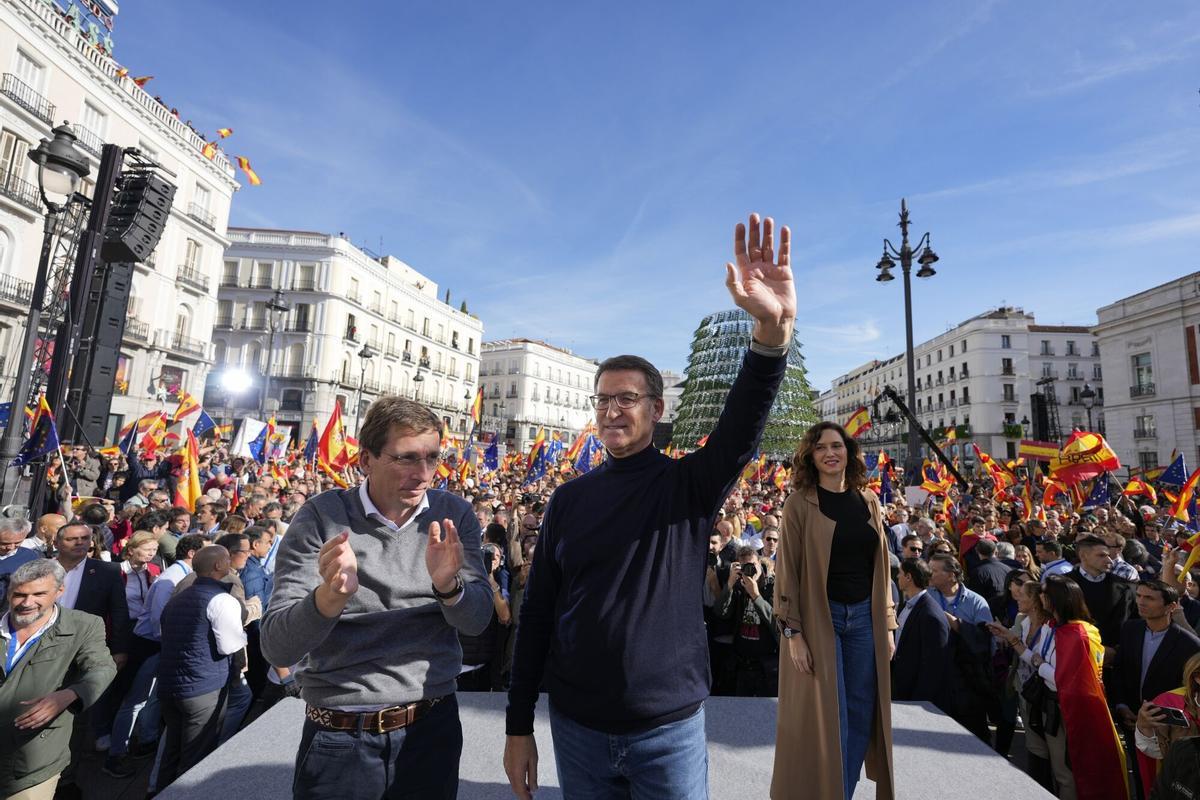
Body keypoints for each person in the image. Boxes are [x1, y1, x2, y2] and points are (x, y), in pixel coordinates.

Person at [504, 214, 793, 800]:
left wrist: (769, 333)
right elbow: (537, 615)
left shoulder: (688, 486)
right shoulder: (568, 499)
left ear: (656, 410)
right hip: (576, 728)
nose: (612, 410)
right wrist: (517, 726)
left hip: (669, 731)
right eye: (603, 400)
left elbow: (741, 428)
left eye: (627, 399)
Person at [262, 397, 492, 800]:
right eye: (405, 459)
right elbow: (277, 644)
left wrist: (448, 587)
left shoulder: (454, 514)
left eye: (432, 458)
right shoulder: (321, 516)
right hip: (340, 735)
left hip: (431, 731)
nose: (422, 474)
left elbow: (476, 621)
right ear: (365, 460)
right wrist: (329, 599)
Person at [773, 420, 896, 800]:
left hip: (864, 619)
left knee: (861, 713)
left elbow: (884, 567)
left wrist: (888, 625)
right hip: (818, 619)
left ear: (849, 452)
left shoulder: (869, 501)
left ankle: (840, 791)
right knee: (832, 716)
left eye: (837, 446)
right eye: (822, 447)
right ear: (811, 456)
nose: (830, 453)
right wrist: (793, 633)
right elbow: (786, 572)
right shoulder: (799, 503)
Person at [0, 559, 117, 800]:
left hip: (32, 763)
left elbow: (102, 668)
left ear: (59, 591)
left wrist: (69, 695)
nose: (26, 603)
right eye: (19, 594)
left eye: (39, 594)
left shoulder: (84, 625)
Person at [1015, 575, 1128, 800]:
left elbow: (1062, 679)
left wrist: (1040, 664)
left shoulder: (1078, 634)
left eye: (1045, 593)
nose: (1041, 597)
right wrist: (1016, 644)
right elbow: (1044, 663)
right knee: (1060, 770)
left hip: (1071, 710)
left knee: (1066, 772)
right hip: (1051, 705)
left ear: (1057, 598)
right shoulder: (1052, 626)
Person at [155, 544, 247, 789]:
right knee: (196, 756)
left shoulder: (177, 598)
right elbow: (230, 645)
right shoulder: (221, 599)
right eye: (227, 559)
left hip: (170, 685)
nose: (231, 562)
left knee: (171, 750)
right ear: (218, 566)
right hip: (203, 687)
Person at [927, 552, 994, 743]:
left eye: (934, 571)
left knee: (971, 731)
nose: (929, 574)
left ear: (952, 575)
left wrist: (954, 622)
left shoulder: (976, 602)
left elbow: (983, 638)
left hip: (968, 677)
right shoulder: (927, 596)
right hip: (938, 671)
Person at [713, 545, 779, 697]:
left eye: (753, 565)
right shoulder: (737, 585)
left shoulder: (772, 586)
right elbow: (721, 613)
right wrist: (729, 585)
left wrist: (756, 596)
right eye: (745, 567)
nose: (750, 571)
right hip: (742, 662)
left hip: (766, 663)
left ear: (760, 564)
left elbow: (777, 624)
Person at [891, 557, 952, 712]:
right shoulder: (907, 606)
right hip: (902, 691)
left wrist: (918, 704)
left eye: (900, 573)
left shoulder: (930, 615)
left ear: (909, 577)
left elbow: (933, 665)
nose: (897, 577)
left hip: (916, 700)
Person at [1136, 652, 1200, 799]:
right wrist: (1144, 727)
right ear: (1197, 677)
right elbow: (1157, 754)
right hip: (1184, 786)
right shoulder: (1170, 702)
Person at [1064, 533, 1136, 659]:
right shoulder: (1062, 585)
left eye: (1108, 555)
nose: (1109, 560)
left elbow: (1133, 622)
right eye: (1102, 555)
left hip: (1114, 660)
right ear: (1083, 556)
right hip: (1073, 656)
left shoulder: (1126, 587)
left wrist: (1116, 650)